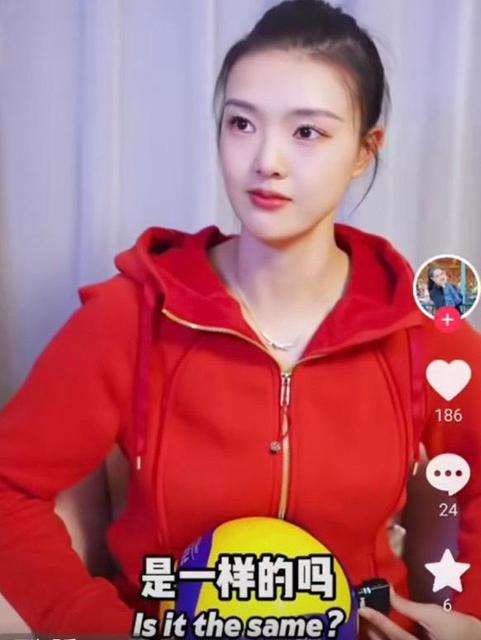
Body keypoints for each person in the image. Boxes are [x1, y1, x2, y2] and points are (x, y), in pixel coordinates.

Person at [0, 1, 480, 638]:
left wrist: (470, 616)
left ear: (365, 152)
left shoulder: (420, 331)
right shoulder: (133, 314)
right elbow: (8, 489)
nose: (266, 160)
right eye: (242, 123)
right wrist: (96, 624)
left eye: (307, 132)